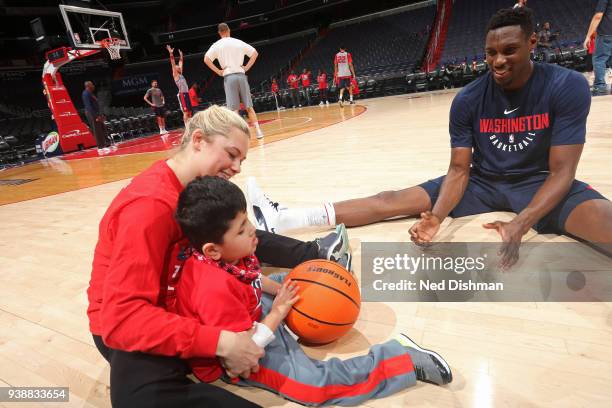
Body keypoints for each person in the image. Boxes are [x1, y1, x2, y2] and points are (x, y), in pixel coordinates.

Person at [247, 7, 612, 269]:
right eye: (491, 53)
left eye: (509, 51)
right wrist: (436, 217)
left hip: (540, 183)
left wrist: (521, 222)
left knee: (605, 221)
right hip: (481, 182)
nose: (498, 61)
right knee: (389, 200)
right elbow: (458, 170)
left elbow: (562, 173)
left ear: (532, 43)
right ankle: (283, 219)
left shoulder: (566, 87)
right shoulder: (468, 99)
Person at [88, 106, 351, 408]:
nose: (237, 167)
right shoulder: (148, 209)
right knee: (139, 400)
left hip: (183, 297)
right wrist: (223, 343)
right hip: (139, 318)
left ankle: (316, 252)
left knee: (237, 231)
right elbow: (122, 320)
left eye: (242, 159)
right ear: (198, 140)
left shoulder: (191, 186)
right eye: (231, 154)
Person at [173, 176, 452, 407]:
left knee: (305, 281)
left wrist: (284, 289)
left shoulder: (226, 255)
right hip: (241, 347)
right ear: (212, 250)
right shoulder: (212, 290)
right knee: (313, 386)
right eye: (242, 230)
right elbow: (243, 351)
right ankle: (399, 359)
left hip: (251, 311)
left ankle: (330, 275)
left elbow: (253, 280)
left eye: (248, 222)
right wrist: (280, 310)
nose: (252, 232)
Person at [204, 23, 264, 139]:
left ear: (219, 33)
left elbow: (206, 59)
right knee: (249, 107)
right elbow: (255, 53)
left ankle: (237, 136)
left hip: (229, 77)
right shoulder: (238, 42)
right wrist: (246, 67)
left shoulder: (217, 45)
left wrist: (219, 71)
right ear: (229, 30)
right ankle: (258, 132)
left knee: (234, 109)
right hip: (241, 75)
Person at [583, 0, 612, 96]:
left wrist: (588, 36)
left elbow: (598, 16)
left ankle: (600, 86)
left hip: (606, 33)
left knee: (599, 59)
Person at [82, 80, 110, 155]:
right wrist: (96, 116)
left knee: (102, 127)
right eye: (92, 85)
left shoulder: (91, 93)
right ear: (88, 86)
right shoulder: (85, 94)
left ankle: (106, 143)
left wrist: (100, 114)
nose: (93, 86)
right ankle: (101, 146)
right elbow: (89, 106)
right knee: (97, 129)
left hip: (97, 113)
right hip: (92, 113)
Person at [166, 45, 193, 125]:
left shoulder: (181, 73)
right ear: (175, 69)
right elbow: (173, 63)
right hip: (182, 94)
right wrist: (171, 53)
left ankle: (190, 125)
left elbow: (181, 63)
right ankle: (186, 125)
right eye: (177, 66)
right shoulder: (176, 75)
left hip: (186, 94)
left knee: (190, 111)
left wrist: (181, 56)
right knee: (185, 112)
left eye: (178, 66)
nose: (178, 66)